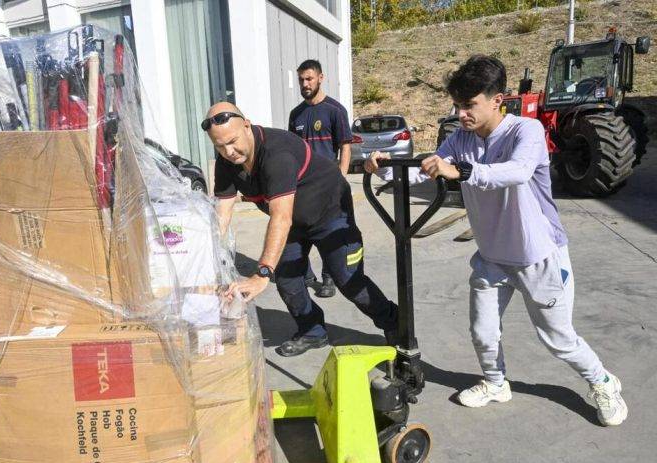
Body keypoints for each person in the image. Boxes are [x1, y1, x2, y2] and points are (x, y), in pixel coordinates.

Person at [365, 55, 627, 427]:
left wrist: (461, 170)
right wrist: (385, 169)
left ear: (496, 100)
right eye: (457, 105)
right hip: (492, 256)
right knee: (483, 331)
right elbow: (426, 172)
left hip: (538, 256)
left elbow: (516, 172)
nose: (462, 114)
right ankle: (495, 382)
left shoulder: (527, 132)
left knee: (558, 338)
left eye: (470, 105)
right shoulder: (461, 138)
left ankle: (602, 382)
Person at [204, 102, 398, 357]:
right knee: (287, 277)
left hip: (330, 212)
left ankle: (394, 323)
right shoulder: (227, 162)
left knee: (348, 279)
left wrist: (261, 274)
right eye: (220, 146)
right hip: (296, 221)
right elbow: (223, 212)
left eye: (232, 141)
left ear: (247, 126)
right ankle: (312, 331)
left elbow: (280, 218)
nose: (229, 151)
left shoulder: (276, 154)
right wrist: (207, 266)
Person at [288, 59, 353, 299]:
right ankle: (306, 274)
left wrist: (342, 179)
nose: (305, 84)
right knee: (297, 231)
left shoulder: (335, 110)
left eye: (309, 79)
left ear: (320, 78)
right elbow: (292, 150)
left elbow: (345, 146)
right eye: (301, 80)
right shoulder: (296, 114)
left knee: (329, 233)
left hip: (329, 185)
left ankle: (328, 278)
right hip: (302, 186)